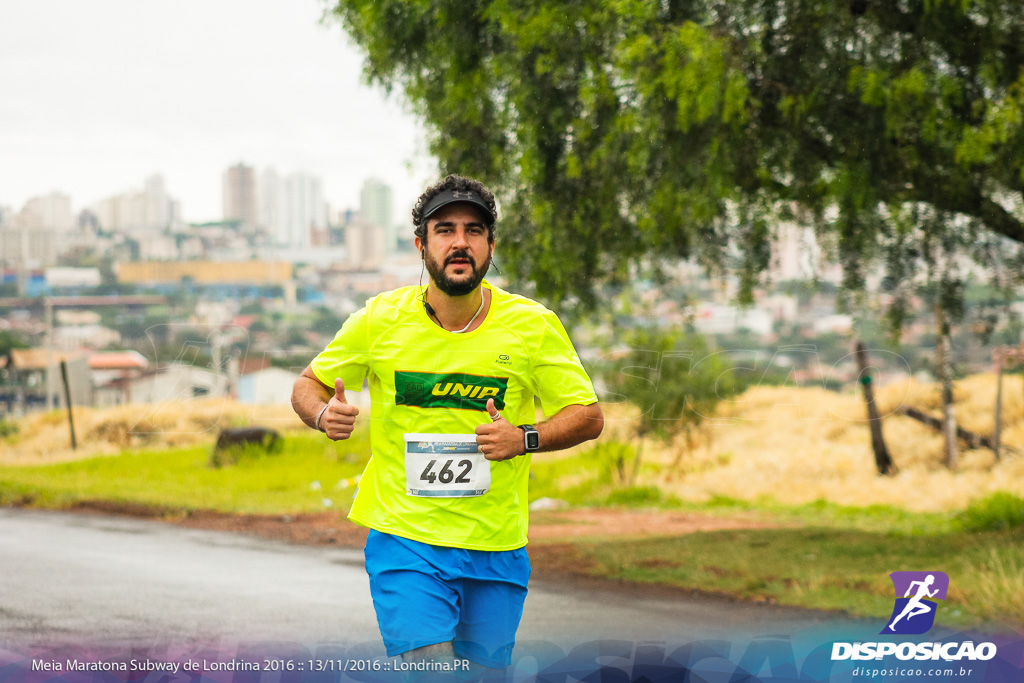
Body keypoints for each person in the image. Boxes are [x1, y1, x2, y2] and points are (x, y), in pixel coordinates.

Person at [291, 174, 604, 674]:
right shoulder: (380, 320)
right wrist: (324, 413)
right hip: (405, 537)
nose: (460, 241)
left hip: (496, 545)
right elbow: (309, 384)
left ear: (490, 246)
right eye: (445, 229)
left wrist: (524, 437)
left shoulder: (532, 325)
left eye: (474, 230)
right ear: (422, 244)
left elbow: (587, 416)